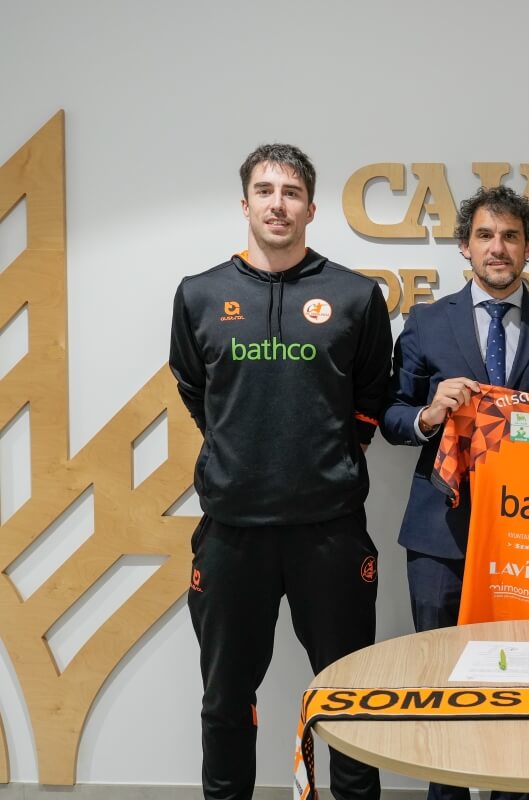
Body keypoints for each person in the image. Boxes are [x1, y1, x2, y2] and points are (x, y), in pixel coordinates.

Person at [170, 144, 392, 800]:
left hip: (330, 531)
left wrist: (330, 457)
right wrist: (241, 450)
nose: (278, 204)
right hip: (232, 532)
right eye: (265, 191)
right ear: (245, 204)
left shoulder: (355, 296)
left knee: (349, 698)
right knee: (225, 699)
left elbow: (371, 397)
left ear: (311, 209)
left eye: (291, 193)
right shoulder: (199, 295)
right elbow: (195, 390)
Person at [380, 184, 529, 800]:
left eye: (511, 237)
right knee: (444, 681)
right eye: (486, 236)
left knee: (521, 681)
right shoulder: (426, 321)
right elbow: (391, 415)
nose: (498, 248)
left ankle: (514, 790)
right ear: (465, 247)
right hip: (440, 533)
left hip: (528, 535)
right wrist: (429, 414)